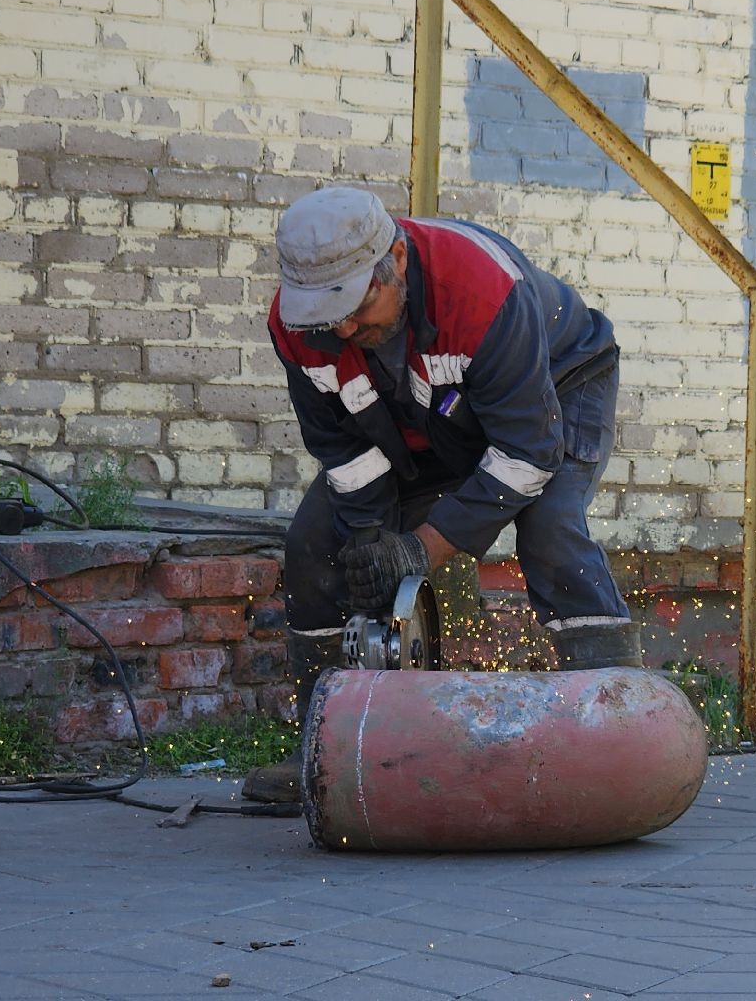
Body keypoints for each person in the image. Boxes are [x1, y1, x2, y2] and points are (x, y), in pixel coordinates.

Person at [242, 186, 641, 804]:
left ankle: (624, 741)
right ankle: (328, 757)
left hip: (558, 387)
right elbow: (345, 451)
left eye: (355, 305)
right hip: (423, 415)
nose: (344, 327)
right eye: (328, 314)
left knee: (551, 533)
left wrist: (420, 549)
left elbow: (526, 455)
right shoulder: (299, 327)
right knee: (317, 543)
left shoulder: (481, 293)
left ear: (396, 260)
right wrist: (372, 538)